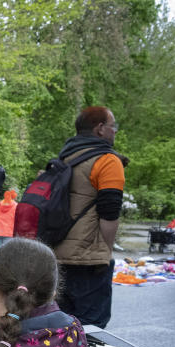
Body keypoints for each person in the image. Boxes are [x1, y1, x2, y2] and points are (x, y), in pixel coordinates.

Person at [52, 106, 127, 329]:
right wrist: (107, 249)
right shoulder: (107, 161)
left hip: (57, 255)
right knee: (91, 329)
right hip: (89, 260)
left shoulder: (64, 158)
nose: (115, 132)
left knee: (62, 329)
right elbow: (109, 213)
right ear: (100, 129)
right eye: (114, 127)